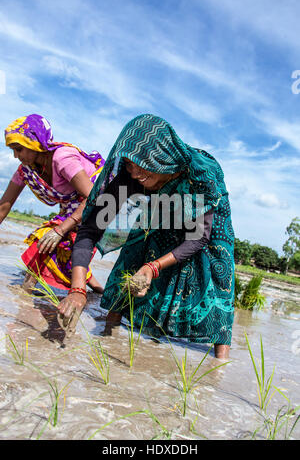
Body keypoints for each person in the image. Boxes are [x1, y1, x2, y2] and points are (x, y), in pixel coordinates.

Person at [58, 114, 235, 359]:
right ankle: (108, 333)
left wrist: (153, 267)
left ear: (161, 157)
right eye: (129, 164)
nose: (134, 172)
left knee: (213, 267)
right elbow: (90, 229)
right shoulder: (129, 178)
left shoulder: (200, 173)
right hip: (161, 209)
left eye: (140, 164)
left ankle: (220, 364)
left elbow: (197, 237)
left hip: (205, 223)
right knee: (135, 251)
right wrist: (77, 289)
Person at [0, 114, 105, 293]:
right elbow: (4, 206)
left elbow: (94, 197)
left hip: (100, 206)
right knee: (66, 251)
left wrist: (60, 230)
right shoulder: (26, 170)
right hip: (74, 208)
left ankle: (24, 295)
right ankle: (96, 288)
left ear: (36, 143)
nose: (16, 156)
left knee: (45, 241)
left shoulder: (62, 159)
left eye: (19, 149)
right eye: (13, 150)